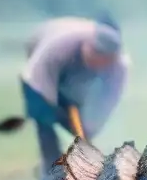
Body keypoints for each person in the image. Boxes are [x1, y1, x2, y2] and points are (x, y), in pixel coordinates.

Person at [20, 16, 128, 170]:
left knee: (84, 126)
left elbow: (107, 103)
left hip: (70, 67)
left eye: (100, 62)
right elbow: (39, 82)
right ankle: (51, 169)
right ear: (88, 46)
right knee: (44, 118)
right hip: (38, 63)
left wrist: (89, 129)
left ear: (110, 60)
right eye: (92, 58)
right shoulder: (57, 48)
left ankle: (86, 165)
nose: (95, 63)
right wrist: (52, 111)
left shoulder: (119, 67)